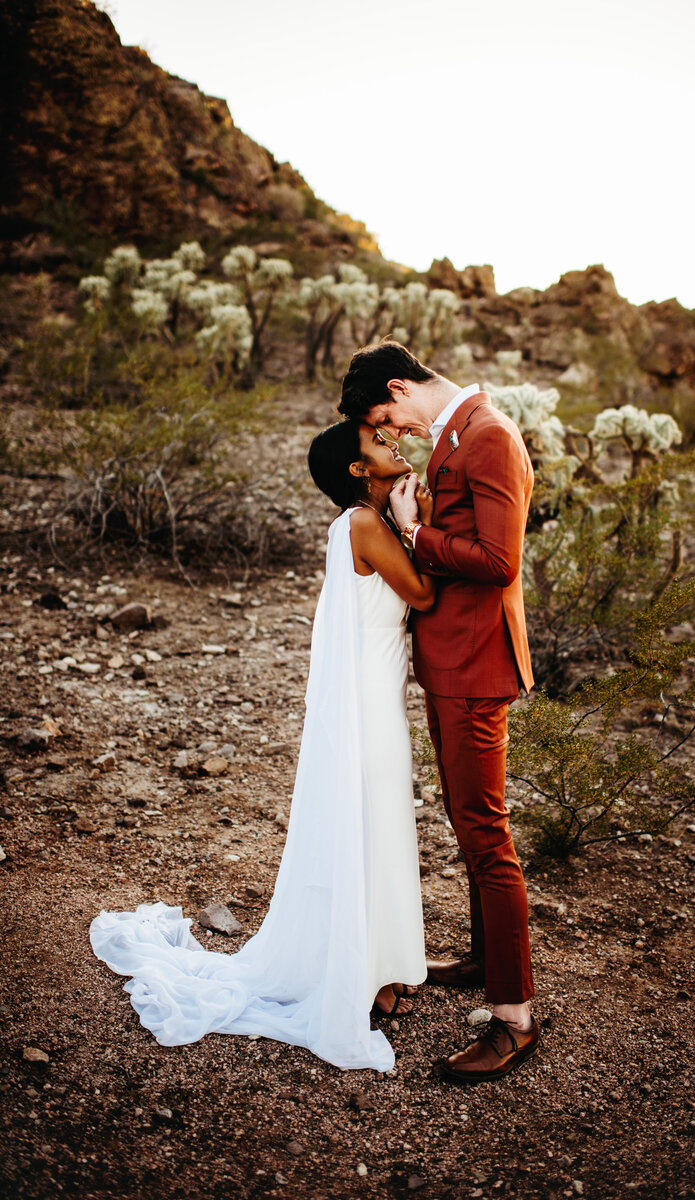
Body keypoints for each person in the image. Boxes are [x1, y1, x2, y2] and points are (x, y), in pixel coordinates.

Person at [89, 420, 436, 1072]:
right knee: (374, 827)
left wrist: (403, 520)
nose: (391, 444)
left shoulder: (365, 522)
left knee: (379, 828)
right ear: (358, 471)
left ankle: (380, 971)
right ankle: (370, 974)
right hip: (368, 702)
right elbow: (422, 592)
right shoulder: (364, 525)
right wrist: (413, 523)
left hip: (377, 693)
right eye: (376, 442)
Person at [338, 340, 540, 1083]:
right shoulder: (460, 434)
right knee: (467, 820)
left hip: (475, 664)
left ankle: (514, 1017)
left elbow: (499, 561)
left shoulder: (486, 436)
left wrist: (415, 533)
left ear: (400, 386)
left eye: (385, 416)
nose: (393, 431)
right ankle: (488, 959)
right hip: (454, 660)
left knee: (486, 832)